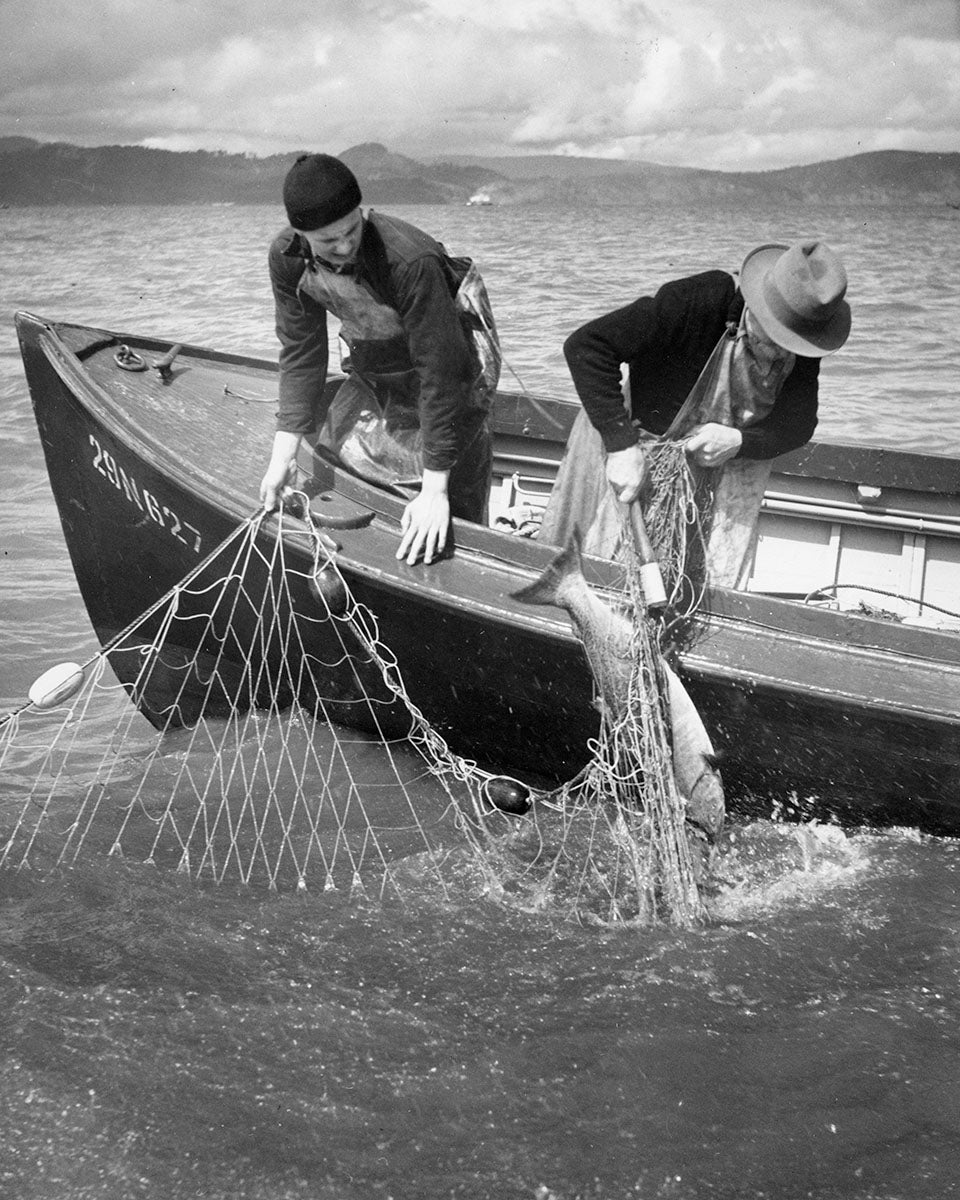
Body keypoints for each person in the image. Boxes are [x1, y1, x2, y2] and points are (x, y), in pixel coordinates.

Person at [541, 240, 851, 581]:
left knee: (691, 584)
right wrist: (620, 445)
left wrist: (739, 441)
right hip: (630, 451)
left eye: (789, 342)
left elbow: (799, 425)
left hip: (716, 471)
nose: (781, 350)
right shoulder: (697, 301)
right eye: (776, 336)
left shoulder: (803, 339)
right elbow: (587, 346)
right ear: (756, 304)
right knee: (597, 571)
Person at [260, 153, 500, 565]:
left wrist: (435, 490)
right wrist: (281, 458)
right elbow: (301, 354)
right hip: (376, 366)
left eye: (351, 230)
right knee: (334, 456)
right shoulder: (287, 258)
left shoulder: (410, 260)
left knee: (448, 506)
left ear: (362, 212)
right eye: (327, 241)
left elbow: (442, 373)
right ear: (300, 235)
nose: (344, 246)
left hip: (454, 368)